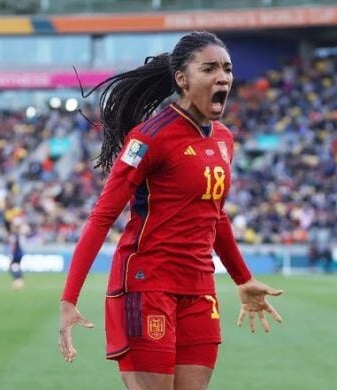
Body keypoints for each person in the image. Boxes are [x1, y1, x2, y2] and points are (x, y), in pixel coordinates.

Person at [58, 31, 284, 389]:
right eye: (209, 68)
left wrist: (242, 278)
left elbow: (215, 214)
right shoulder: (149, 138)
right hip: (147, 286)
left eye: (227, 68)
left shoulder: (224, 139)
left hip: (199, 290)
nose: (222, 76)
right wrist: (69, 298)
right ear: (182, 79)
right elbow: (102, 217)